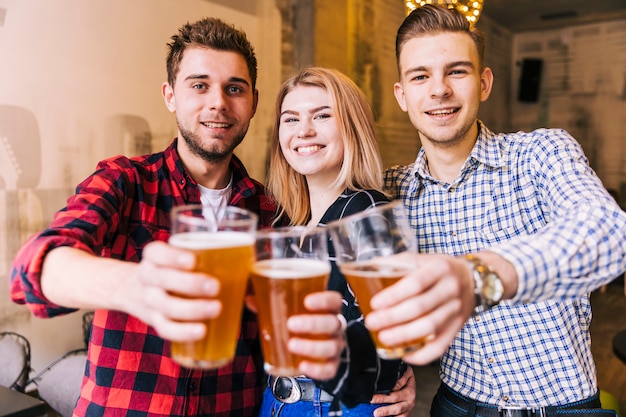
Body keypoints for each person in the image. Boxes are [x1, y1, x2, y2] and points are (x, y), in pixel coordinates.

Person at [9, 18, 346, 417]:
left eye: (233, 88)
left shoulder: (271, 210)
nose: (218, 102)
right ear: (171, 95)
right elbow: (33, 272)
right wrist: (135, 285)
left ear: (253, 101)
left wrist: (380, 376)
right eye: (199, 85)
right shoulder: (125, 180)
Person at [364, 4, 626, 417]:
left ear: (483, 83)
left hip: (561, 407)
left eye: (457, 71)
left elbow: (607, 231)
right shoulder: (390, 191)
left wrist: (482, 275)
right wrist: (393, 372)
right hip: (455, 405)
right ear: (402, 95)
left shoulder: (541, 154)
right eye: (420, 76)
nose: (438, 90)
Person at [263, 67, 416, 417]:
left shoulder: (369, 211)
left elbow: (388, 348)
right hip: (275, 402)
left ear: (352, 126)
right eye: (291, 119)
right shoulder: (284, 221)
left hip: (335, 408)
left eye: (322, 115)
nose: (304, 130)